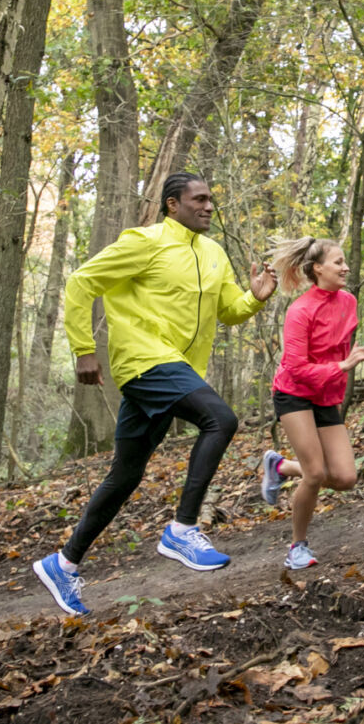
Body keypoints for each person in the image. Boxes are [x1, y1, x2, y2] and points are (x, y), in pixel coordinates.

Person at [32, 173, 277, 616]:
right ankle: (183, 528)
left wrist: (255, 298)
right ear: (171, 205)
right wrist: (84, 349)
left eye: (209, 199)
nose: (207, 206)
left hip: (176, 370)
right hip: (144, 361)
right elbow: (80, 283)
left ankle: (63, 562)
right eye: (198, 199)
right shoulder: (144, 242)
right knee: (220, 419)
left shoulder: (215, 254)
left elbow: (228, 312)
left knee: (125, 475)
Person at [257, 238, 364, 569]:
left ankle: (280, 467)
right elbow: (295, 367)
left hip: (325, 394)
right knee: (316, 472)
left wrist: (341, 368)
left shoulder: (348, 302)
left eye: (345, 261)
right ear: (317, 268)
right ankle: (297, 547)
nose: (345, 267)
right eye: (338, 262)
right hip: (293, 392)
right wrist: (343, 367)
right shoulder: (300, 309)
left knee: (346, 478)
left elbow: (338, 346)